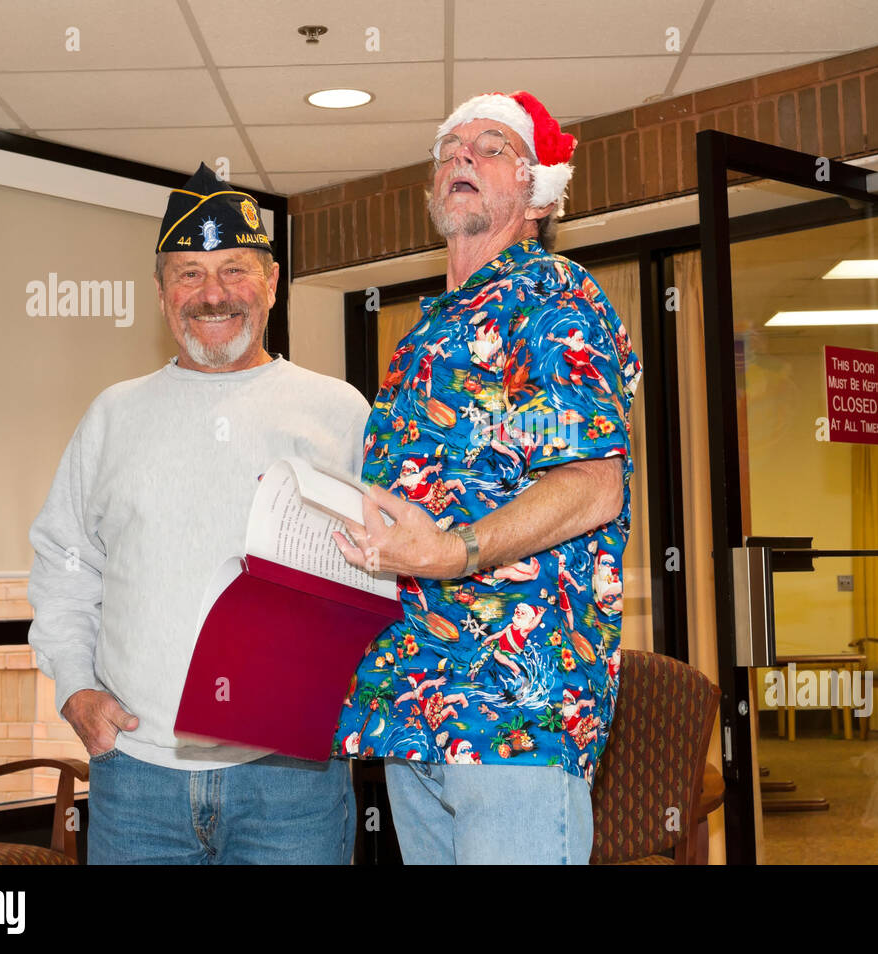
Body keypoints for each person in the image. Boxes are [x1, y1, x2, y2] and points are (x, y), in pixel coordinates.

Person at [331, 91, 642, 864]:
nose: (462, 156)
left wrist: (457, 551)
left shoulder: (553, 296)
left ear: (535, 195)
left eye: (491, 145)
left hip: (516, 715)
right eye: (449, 148)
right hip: (414, 705)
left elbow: (594, 483)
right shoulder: (423, 336)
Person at [28, 164, 371, 864]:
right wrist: (75, 688)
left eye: (234, 269)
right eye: (188, 274)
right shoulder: (112, 418)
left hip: (293, 784)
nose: (212, 294)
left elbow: (389, 578)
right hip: (137, 782)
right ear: (161, 294)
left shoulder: (342, 412)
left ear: (272, 282)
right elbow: (64, 567)